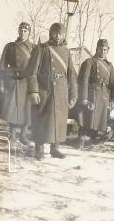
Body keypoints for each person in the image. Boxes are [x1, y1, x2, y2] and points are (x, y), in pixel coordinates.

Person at [26, 22, 78, 160]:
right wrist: (33, 91)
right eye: (55, 32)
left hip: (61, 90)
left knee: (58, 120)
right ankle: (39, 149)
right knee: (41, 119)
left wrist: (73, 94)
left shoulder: (66, 52)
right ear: (50, 33)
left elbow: (72, 73)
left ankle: (55, 148)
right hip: (44, 89)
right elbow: (32, 71)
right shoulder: (41, 48)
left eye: (60, 33)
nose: (57, 35)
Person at [0, 22, 34, 145]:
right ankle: (12, 134)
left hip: (26, 82)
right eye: (21, 30)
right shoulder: (10, 47)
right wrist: (2, 84)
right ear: (18, 31)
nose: (23, 33)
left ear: (29, 33)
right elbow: (2, 66)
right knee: (12, 109)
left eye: (26, 31)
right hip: (12, 81)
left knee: (26, 109)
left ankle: (23, 135)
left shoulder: (33, 48)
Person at [76, 39, 114, 149]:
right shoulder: (89, 62)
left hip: (104, 95)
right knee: (87, 117)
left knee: (99, 120)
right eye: (101, 49)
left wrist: (113, 99)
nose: (103, 51)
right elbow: (83, 81)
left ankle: (93, 139)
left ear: (107, 50)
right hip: (91, 93)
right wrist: (84, 98)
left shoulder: (109, 65)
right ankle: (81, 139)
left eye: (105, 49)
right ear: (97, 49)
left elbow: (113, 84)